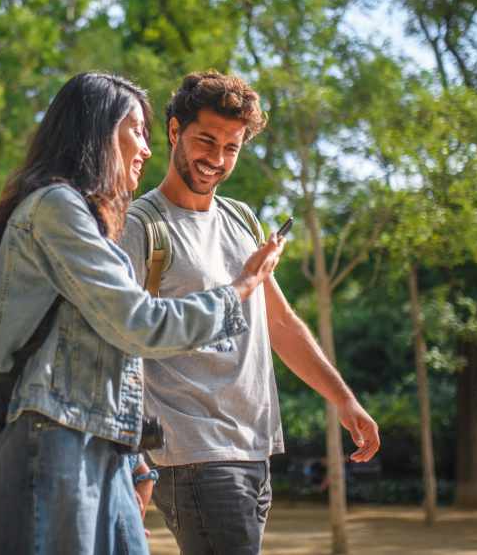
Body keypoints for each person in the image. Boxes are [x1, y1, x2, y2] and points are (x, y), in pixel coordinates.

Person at [0, 72, 288, 555]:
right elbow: (137, 324)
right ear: (97, 130)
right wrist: (241, 286)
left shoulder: (90, 220)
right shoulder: (55, 208)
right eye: (136, 130)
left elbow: (109, 347)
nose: (147, 148)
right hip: (54, 437)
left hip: (103, 442)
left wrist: (134, 456)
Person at [119, 70, 380, 555]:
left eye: (231, 147)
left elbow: (280, 323)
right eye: (206, 140)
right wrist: (129, 462)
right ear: (174, 130)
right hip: (193, 451)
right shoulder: (141, 227)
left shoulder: (241, 218)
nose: (216, 159)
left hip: (254, 448)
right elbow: (117, 343)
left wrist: (343, 399)